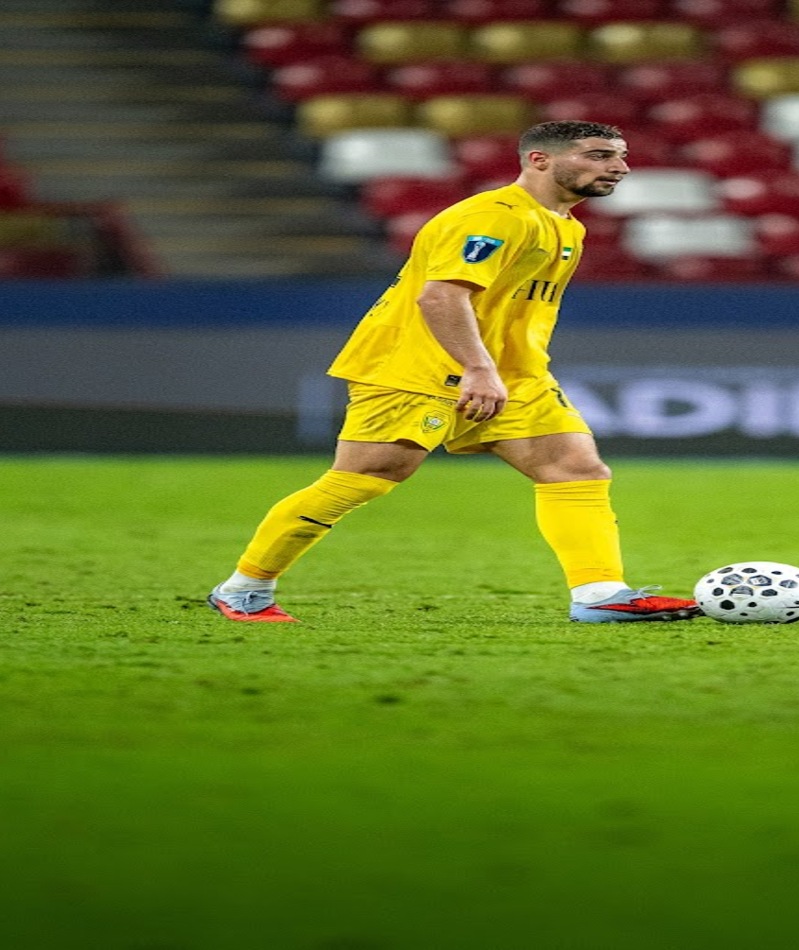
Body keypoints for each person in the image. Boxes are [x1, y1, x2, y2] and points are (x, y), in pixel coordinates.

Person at [207, 120, 700, 624]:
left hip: (512, 372)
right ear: (539, 160)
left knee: (575, 469)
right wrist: (478, 367)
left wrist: (497, 369)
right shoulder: (492, 218)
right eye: (599, 155)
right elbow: (441, 295)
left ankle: (600, 595)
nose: (619, 167)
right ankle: (245, 589)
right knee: (369, 475)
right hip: (416, 367)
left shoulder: (566, 226)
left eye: (619, 156)